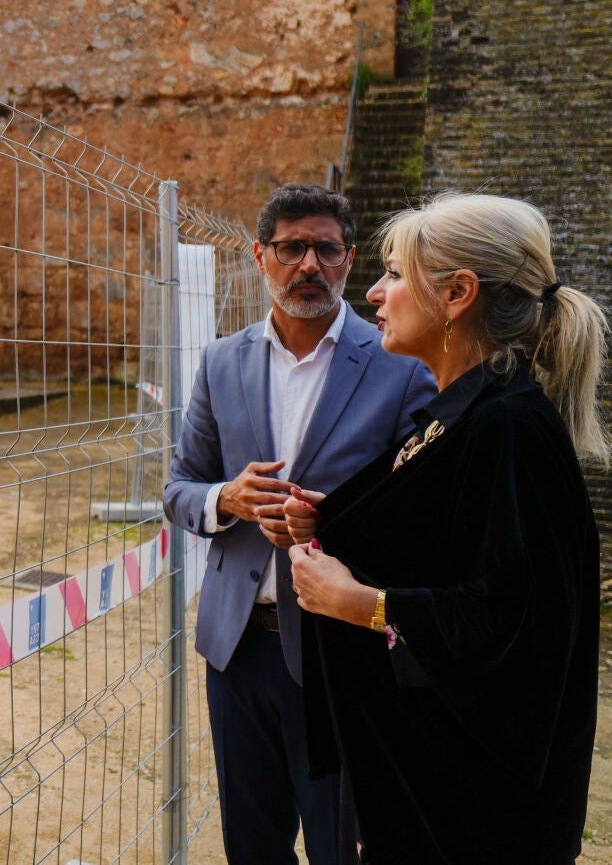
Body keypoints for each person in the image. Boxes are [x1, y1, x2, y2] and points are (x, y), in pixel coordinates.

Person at [286, 192, 607, 864]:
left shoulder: (510, 424)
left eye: (396, 273)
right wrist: (341, 525)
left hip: (476, 817)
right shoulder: (463, 411)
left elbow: (515, 623)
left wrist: (360, 602)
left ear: (459, 293)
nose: (374, 291)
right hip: (431, 793)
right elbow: (446, 543)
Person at [163, 183, 435, 864]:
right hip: (237, 648)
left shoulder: (400, 365)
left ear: (348, 259)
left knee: (339, 844)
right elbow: (178, 488)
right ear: (261, 255)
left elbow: (426, 512)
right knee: (252, 846)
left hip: (342, 650)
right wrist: (226, 497)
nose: (309, 264)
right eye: (292, 247)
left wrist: (329, 523)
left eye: (327, 248)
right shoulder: (221, 360)